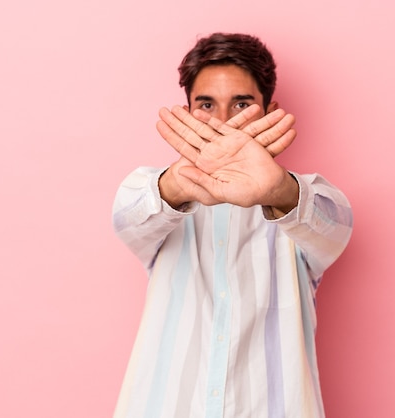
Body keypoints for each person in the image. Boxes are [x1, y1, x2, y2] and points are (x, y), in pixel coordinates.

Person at [111, 32, 353, 418]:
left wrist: (278, 189)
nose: (223, 122)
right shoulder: (156, 193)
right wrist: (177, 183)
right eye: (206, 104)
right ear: (187, 112)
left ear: (269, 110)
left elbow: (335, 224)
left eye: (241, 103)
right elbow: (127, 217)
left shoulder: (300, 198)